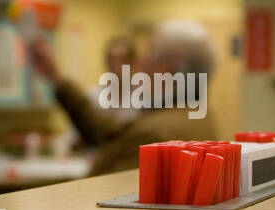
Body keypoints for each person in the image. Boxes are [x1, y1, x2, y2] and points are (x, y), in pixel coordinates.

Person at [27, 19, 218, 174]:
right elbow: (107, 132)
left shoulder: (155, 134)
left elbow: (99, 196)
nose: (140, 63)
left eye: (149, 54)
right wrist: (56, 77)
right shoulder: (196, 115)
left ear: (167, 69)